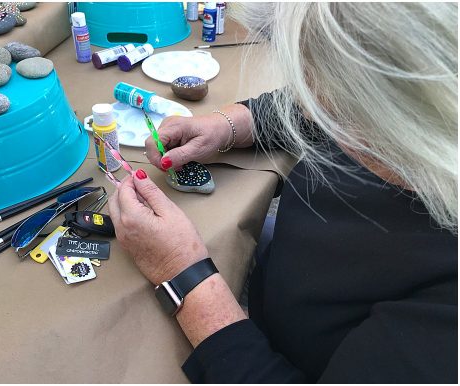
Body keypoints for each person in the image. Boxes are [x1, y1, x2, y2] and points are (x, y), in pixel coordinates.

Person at [109, 3, 457, 383]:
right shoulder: (410, 110)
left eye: (329, 104)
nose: (306, 110)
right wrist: (229, 126)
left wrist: (181, 273)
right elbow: (311, 107)